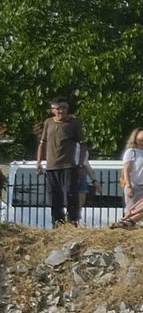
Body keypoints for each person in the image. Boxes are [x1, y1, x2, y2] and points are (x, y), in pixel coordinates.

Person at [34, 97, 89, 229]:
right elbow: (43, 143)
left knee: (71, 197)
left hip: (68, 166)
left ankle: (72, 224)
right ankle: (57, 225)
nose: (61, 111)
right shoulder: (48, 123)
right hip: (51, 167)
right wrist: (38, 162)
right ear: (52, 110)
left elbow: (83, 145)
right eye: (58, 108)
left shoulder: (73, 123)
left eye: (64, 108)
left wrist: (81, 164)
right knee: (54, 198)